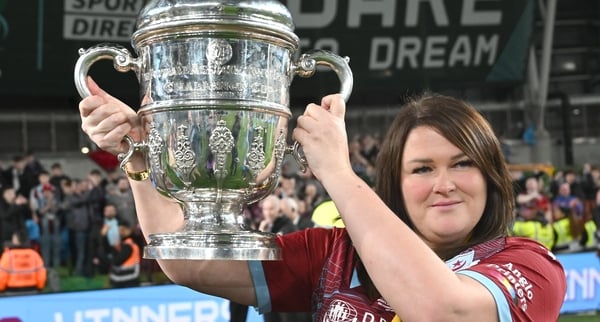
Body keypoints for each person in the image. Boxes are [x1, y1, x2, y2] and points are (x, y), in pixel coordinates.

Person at [79, 78, 566, 321]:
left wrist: (337, 170)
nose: (445, 183)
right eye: (422, 168)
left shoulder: (530, 267)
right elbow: (190, 262)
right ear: (394, 184)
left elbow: (443, 310)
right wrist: (138, 157)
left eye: (463, 164)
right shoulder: (331, 253)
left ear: (493, 177)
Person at [0, 230, 47, 295]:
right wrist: (39, 288)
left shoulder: (8, 256)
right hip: (32, 290)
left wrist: (2, 290)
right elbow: (41, 275)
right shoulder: (34, 254)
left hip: (11, 292)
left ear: (15, 240)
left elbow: (2, 276)